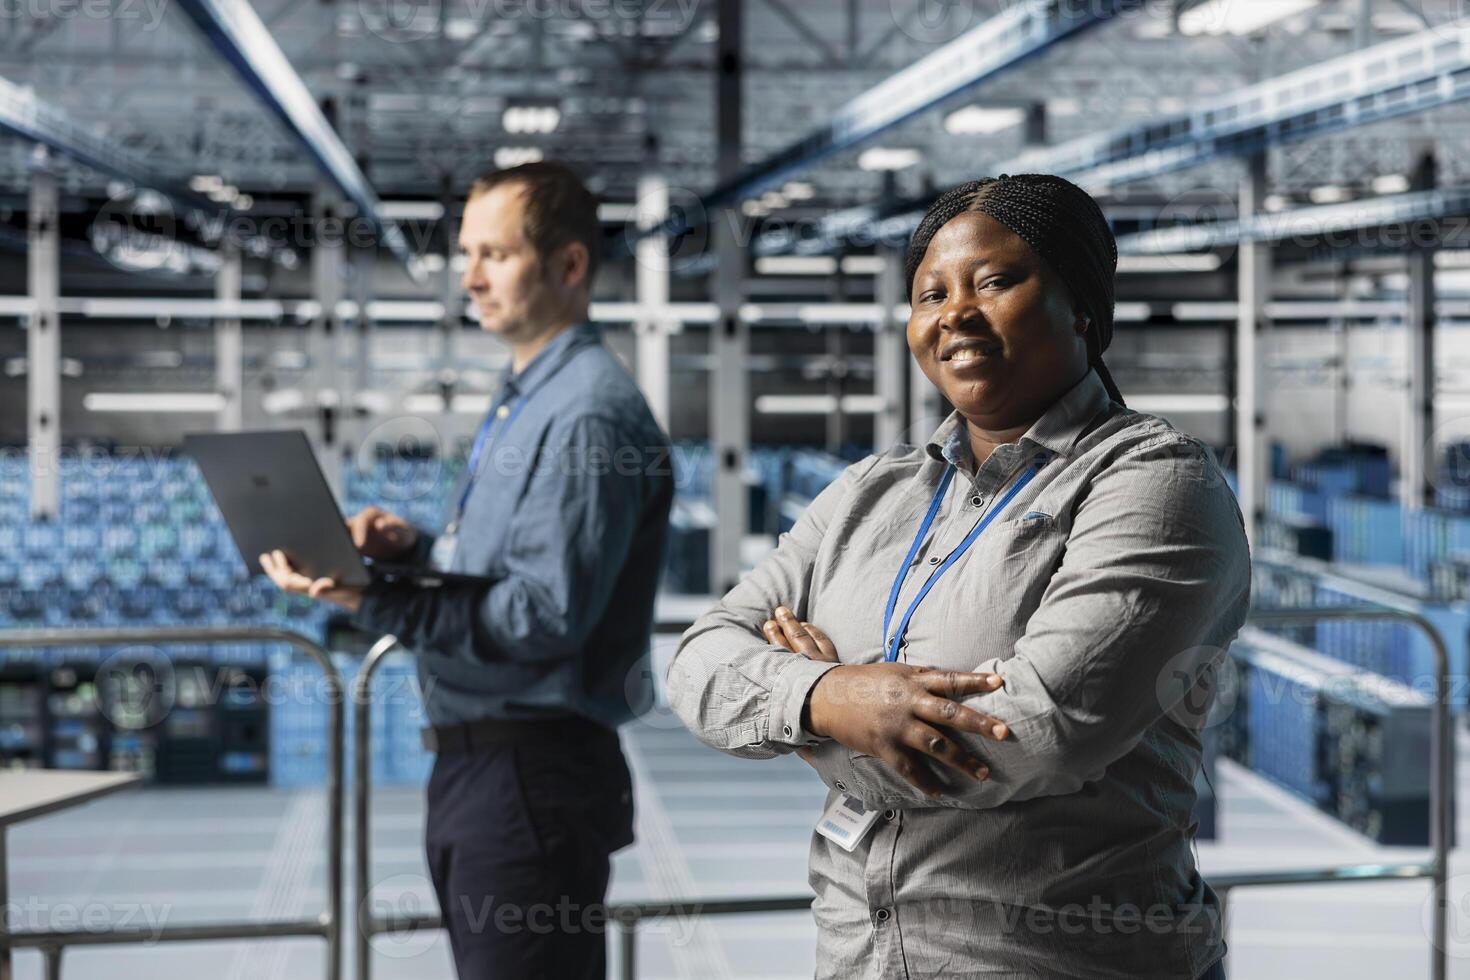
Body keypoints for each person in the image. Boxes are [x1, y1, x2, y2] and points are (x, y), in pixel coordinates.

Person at [667, 174, 1248, 979]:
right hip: (856, 957)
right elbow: (698, 658)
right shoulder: (871, 492)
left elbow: (1040, 731)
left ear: (1082, 307)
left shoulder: (1153, 483)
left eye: (997, 281)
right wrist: (825, 698)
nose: (955, 315)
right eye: (929, 294)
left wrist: (813, 716)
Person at [260, 160, 674, 980]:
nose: (471, 279)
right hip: (486, 770)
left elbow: (545, 617)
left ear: (568, 266)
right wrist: (409, 553)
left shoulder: (585, 414)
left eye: (496, 255)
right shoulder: (526, 394)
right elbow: (497, 569)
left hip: (528, 774)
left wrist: (379, 597)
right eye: (467, 254)